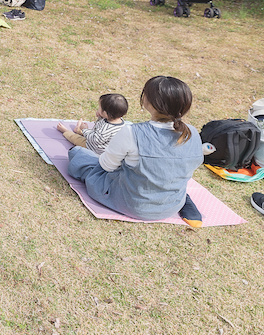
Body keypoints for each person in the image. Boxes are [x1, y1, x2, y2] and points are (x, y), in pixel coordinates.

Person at [66, 76, 205, 227]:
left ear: (148, 101)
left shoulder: (131, 132)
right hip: (171, 205)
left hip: (132, 204)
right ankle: (185, 200)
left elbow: (106, 166)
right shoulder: (192, 133)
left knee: (78, 154)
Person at [57, 93, 129, 154]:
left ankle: (65, 131)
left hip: (94, 149)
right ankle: (78, 130)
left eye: (99, 108)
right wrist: (100, 115)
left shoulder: (105, 129)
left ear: (105, 113)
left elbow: (94, 139)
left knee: (75, 138)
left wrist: (85, 129)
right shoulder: (121, 122)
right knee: (89, 133)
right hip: (101, 141)